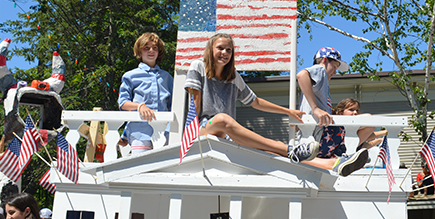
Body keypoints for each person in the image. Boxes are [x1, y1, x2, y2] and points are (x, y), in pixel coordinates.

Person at [184, 33, 319, 163]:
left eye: (229, 50)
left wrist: (288, 111)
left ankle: (329, 163)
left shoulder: (233, 77)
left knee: (272, 155)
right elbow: (195, 103)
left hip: (227, 134)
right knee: (222, 118)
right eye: (220, 48)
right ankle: (288, 149)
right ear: (210, 49)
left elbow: (256, 102)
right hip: (202, 129)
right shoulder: (198, 67)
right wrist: (189, 138)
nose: (224, 52)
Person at [296, 47, 369, 176]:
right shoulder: (320, 70)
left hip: (319, 137)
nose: (335, 72)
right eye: (334, 66)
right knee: (368, 120)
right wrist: (315, 108)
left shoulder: (321, 82)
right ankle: (343, 157)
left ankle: (340, 158)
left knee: (367, 122)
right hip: (316, 136)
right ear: (324, 60)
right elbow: (301, 75)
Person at [118, 33, 173, 154]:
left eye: (155, 48)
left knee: (163, 168)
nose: (151, 51)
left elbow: (174, 106)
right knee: (140, 167)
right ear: (139, 51)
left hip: (164, 132)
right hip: (140, 131)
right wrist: (139, 106)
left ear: (159, 52)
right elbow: (122, 103)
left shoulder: (167, 77)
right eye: (146, 48)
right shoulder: (130, 76)